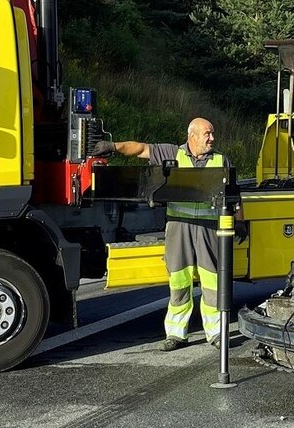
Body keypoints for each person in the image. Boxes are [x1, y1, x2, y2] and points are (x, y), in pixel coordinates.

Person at [90, 118, 246, 352]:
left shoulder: (220, 159)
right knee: (178, 281)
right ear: (192, 136)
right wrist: (114, 147)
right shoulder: (171, 153)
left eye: (212, 133)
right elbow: (141, 149)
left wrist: (240, 221)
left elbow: (234, 193)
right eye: (207, 134)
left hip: (208, 228)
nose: (212, 138)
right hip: (179, 227)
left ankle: (215, 334)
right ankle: (176, 333)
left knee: (212, 282)